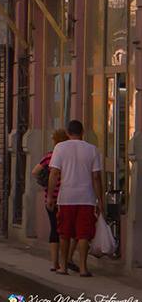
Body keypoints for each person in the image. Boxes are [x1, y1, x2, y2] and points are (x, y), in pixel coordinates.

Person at [47, 119, 103, 277]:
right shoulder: (92, 149)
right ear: (82, 132)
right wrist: (100, 200)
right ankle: (84, 268)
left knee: (65, 233)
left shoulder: (60, 148)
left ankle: (63, 266)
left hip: (66, 197)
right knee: (83, 234)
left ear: (67, 133)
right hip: (86, 197)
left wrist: (50, 196)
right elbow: (97, 177)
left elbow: (54, 173)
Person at [32, 128, 70, 272]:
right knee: (66, 231)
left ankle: (54, 263)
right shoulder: (69, 156)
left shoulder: (49, 156)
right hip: (67, 197)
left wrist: (45, 182)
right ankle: (65, 260)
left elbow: (35, 171)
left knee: (54, 228)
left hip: (51, 197)